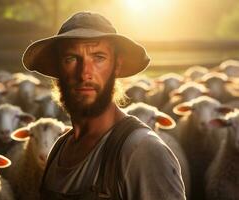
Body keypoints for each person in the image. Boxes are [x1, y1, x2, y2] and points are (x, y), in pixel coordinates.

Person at [22, 11, 186, 200]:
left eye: (98, 57)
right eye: (71, 59)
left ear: (116, 66)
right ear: (58, 70)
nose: (85, 73)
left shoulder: (142, 150)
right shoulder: (59, 148)